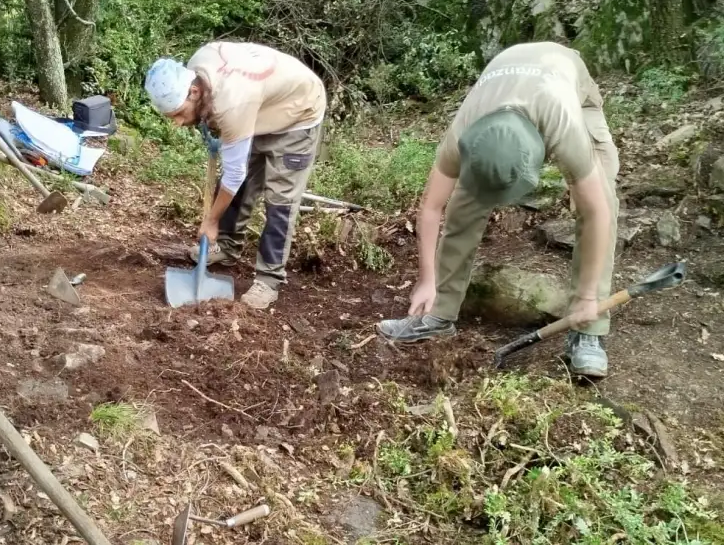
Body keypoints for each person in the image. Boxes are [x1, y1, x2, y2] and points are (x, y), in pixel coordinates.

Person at [376, 41, 619, 378]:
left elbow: (597, 213)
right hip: (504, 81)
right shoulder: (464, 129)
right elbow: (431, 206)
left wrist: (589, 296)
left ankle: (589, 331)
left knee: (602, 197)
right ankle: (439, 314)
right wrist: (427, 281)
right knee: (464, 199)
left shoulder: (564, 127)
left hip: (565, 79)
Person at [144, 41, 327, 309]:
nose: (178, 123)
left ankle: (269, 279)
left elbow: (234, 173)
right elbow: (235, 174)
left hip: (298, 112)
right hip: (260, 106)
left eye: (179, 114)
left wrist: (211, 221)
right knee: (239, 185)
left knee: (280, 200)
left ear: (194, 92)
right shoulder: (197, 69)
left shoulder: (232, 102)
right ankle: (228, 247)